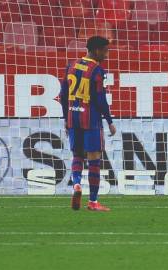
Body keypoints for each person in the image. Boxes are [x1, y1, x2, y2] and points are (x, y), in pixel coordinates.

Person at [59, 36, 116, 211]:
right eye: (105, 51)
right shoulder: (98, 70)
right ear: (96, 50)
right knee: (94, 160)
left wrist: (65, 119)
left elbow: (62, 95)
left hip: (72, 118)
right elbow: (100, 99)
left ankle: (76, 184)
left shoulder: (71, 65)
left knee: (77, 154)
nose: (106, 55)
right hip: (90, 120)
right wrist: (109, 121)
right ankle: (92, 201)